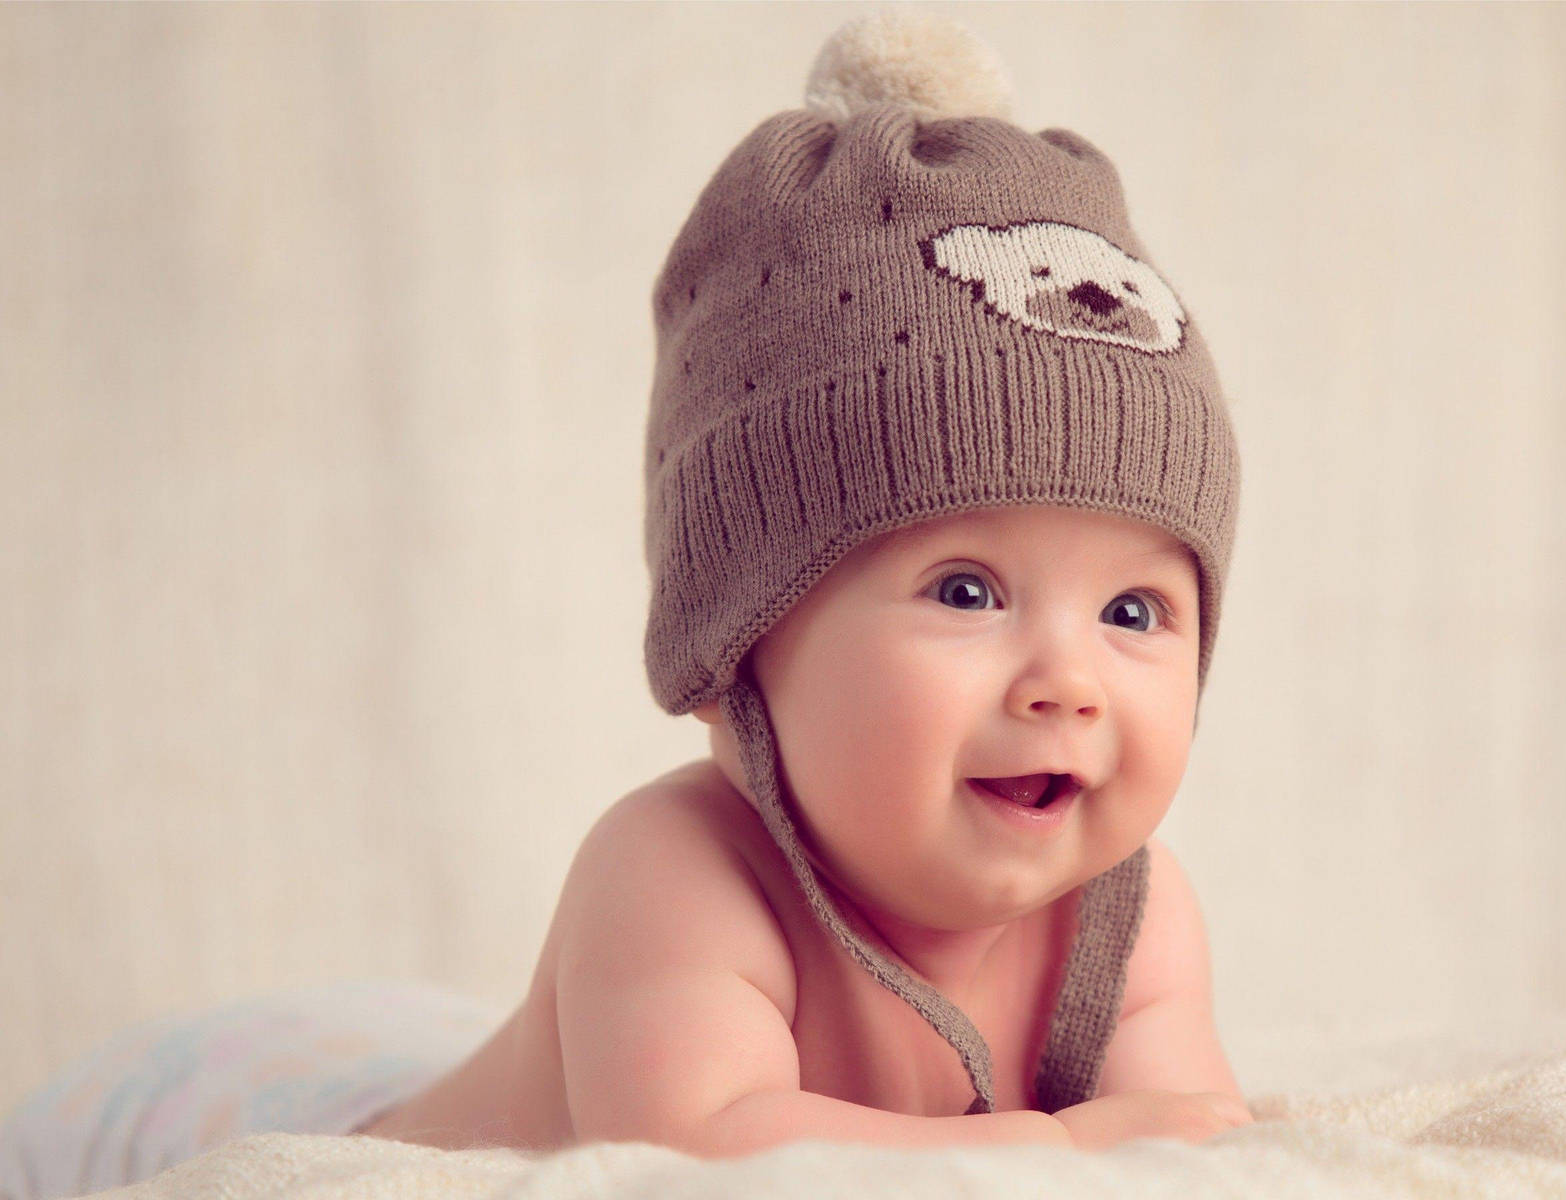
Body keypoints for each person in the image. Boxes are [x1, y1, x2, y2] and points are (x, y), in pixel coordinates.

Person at [0, 11, 1251, 1193]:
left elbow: (1184, 1139)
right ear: (745, 638)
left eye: (1136, 613)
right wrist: (1064, 1147)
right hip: (280, 1095)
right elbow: (702, 1151)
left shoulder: (1135, 920)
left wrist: (1139, 1140)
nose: (1067, 681)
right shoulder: (679, 873)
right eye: (967, 590)